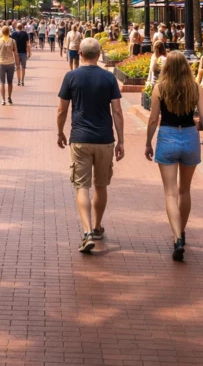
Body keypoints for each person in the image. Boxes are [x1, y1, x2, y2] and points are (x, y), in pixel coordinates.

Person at [145, 51, 203, 261]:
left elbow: (152, 119)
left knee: (170, 193)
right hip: (189, 136)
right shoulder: (196, 88)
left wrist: (148, 143)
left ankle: (176, 237)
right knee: (185, 191)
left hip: (167, 136)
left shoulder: (160, 87)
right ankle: (182, 232)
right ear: (186, 66)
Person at [56, 37, 125, 254]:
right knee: (101, 185)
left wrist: (59, 131)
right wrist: (121, 139)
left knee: (82, 186)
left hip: (80, 138)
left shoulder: (71, 76)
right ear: (99, 54)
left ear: (80, 54)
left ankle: (86, 231)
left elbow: (62, 109)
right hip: (104, 139)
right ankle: (97, 227)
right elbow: (117, 111)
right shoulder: (108, 78)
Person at [0, 25, 19, 106]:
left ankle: (3, 99)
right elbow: (15, 53)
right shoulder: (13, 41)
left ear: (2, 32)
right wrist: (17, 64)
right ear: (9, 32)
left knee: (2, 82)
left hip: (1, 62)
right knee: (10, 82)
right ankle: (9, 96)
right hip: (11, 63)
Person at [10, 22, 31, 87]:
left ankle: (18, 80)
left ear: (16, 27)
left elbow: (11, 44)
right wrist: (29, 52)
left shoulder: (13, 34)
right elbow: (28, 44)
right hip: (23, 52)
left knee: (17, 67)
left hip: (16, 53)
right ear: (22, 27)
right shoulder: (25, 34)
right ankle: (22, 80)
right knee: (23, 67)